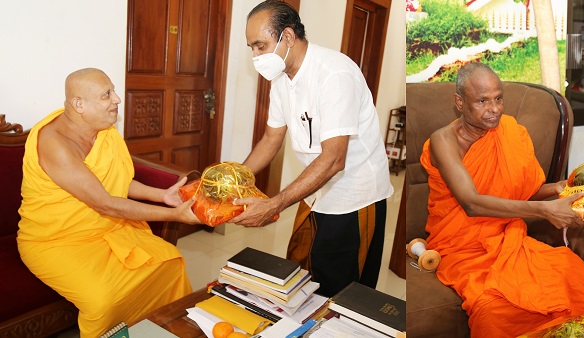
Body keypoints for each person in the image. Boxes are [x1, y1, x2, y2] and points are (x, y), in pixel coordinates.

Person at [17, 68, 200, 337]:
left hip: (106, 229)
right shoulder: (55, 144)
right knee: (102, 301)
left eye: (113, 91)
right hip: (54, 240)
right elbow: (105, 203)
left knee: (170, 262)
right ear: (79, 104)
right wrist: (175, 215)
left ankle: (161, 330)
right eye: (106, 95)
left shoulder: (103, 131)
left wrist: (161, 196)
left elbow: (118, 182)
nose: (117, 99)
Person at [422, 62, 584, 337]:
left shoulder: (512, 132)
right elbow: (472, 202)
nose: (494, 109)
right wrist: (545, 210)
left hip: (506, 237)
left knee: (570, 268)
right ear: (459, 102)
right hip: (462, 248)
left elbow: (520, 192)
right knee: (493, 306)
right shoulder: (443, 141)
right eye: (482, 101)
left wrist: (557, 189)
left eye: (498, 98)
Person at [233, 0, 393, 298]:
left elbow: (334, 160)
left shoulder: (334, 74)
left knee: (341, 288)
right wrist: (233, 178)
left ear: (288, 37)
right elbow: (271, 139)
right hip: (315, 190)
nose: (255, 56)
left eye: (260, 45)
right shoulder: (281, 79)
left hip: (353, 195)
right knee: (302, 272)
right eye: (251, 48)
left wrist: (274, 204)